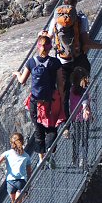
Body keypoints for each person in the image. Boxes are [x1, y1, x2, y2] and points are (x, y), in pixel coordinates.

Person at [14, 32, 66, 164]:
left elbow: (22, 80)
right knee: (52, 127)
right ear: (50, 47)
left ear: (38, 46)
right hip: (52, 101)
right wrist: (62, 98)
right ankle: (50, 150)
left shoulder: (31, 62)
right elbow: (60, 83)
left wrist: (17, 73)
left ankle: (41, 159)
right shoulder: (55, 62)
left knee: (38, 129)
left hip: (35, 102)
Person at [52, 0, 102, 90]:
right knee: (81, 91)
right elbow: (86, 43)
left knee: (64, 94)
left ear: (63, 2)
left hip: (62, 60)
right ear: (76, 2)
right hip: (78, 59)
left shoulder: (55, 19)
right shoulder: (81, 18)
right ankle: (84, 104)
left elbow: (49, 37)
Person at [67, 66, 92, 166]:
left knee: (76, 138)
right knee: (84, 138)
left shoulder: (71, 90)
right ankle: (84, 159)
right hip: (85, 118)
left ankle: (75, 158)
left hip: (74, 117)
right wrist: (88, 111)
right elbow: (85, 103)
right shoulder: (84, 90)